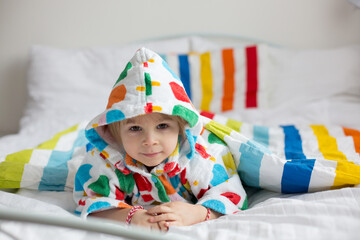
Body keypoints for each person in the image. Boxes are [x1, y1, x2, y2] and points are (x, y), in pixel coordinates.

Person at [73, 47, 247, 231]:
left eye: (162, 126)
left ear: (180, 128)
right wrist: (131, 217)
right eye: (135, 128)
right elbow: (91, 202)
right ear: (116, 133)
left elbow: (231, 196)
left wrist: (198, 213)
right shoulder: (106, 161)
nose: (150, 140)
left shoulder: (200, 159)